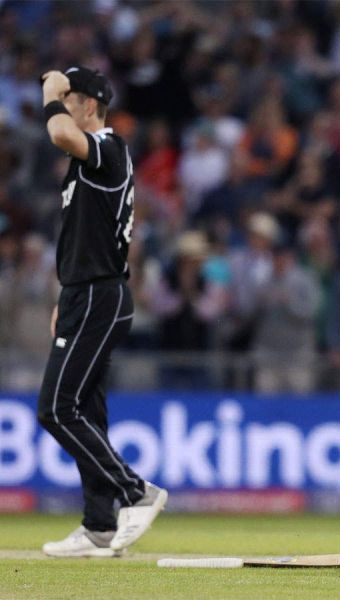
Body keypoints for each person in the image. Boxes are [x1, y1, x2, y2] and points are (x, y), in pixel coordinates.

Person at [37, 66, 167, 557]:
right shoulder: (96, 161)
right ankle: (99, 525)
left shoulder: (108, 151)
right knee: (86, 410)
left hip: (99, 294)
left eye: (70, 97)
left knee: (56, 408)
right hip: (83, 293)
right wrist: (62, 294)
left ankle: (136, 491)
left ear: (89, 104)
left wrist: (50, 94)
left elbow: (58, 131)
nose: (61, 104)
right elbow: (83, 236)